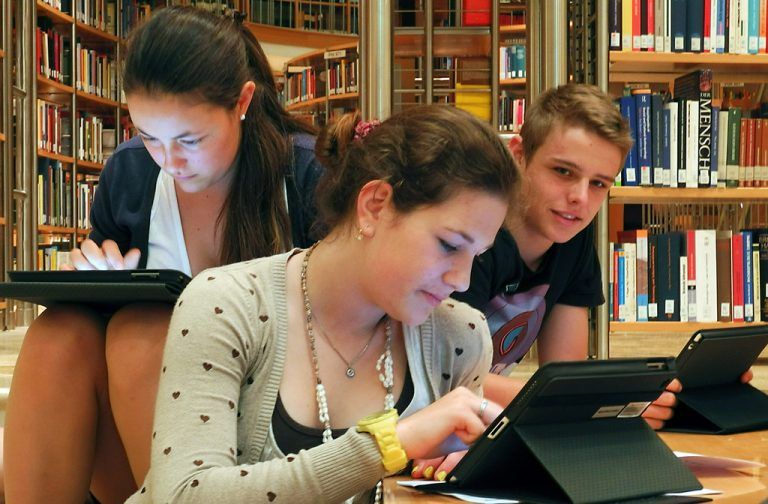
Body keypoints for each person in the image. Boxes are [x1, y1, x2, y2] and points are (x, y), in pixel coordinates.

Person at [4, 7, 323, 503]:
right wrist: (96, 280)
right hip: (145, 428)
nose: (169, 162)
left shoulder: (305, 175)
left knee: (143, 330)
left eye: (190, 140)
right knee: (59, 334)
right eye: (149, 137)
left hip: (267, 415)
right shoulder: (129, 174)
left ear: (242, 102)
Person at [124, 104, 520, 503]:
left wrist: (469, 471)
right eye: (449, 245)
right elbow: (183, 497)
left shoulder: (461, 337)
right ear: (375, 205)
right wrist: (388, 444)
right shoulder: (224, 304)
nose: (462, 279)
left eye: (478, 255)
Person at [412, 83, 755, 482]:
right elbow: (442, 376)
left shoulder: (573, 241)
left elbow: (563, 375)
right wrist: (600, 400)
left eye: (599, 184)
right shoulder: (474, 243)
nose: (580, 198)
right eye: (563, 172)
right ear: (518, 156)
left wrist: (641, 393)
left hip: (480, 425)